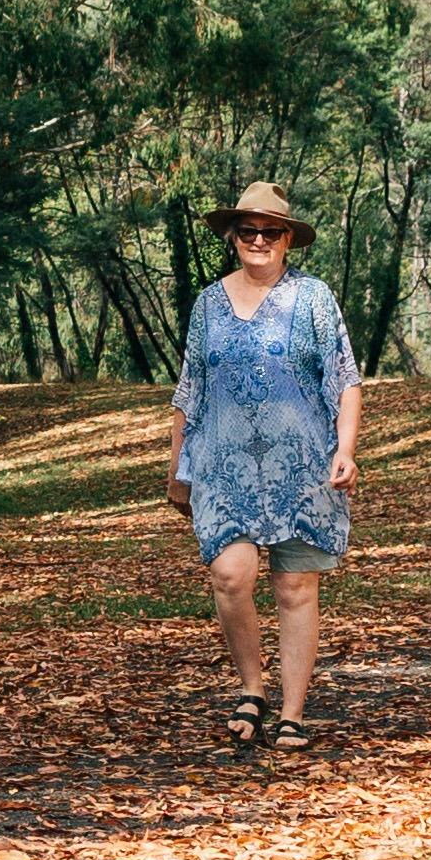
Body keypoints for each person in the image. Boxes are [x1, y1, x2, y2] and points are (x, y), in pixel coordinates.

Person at [173, 178, 361, 754]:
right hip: (222, 467)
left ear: (288, 239)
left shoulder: (314, 298)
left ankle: (293, 712)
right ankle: (252, 688)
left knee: (295, 584)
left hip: (303, 469)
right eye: (248, 231)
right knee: (231, 575)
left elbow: (346, 380)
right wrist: (177, 467)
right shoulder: (208, 303)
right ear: (233, 237)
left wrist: (346, 448)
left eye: (270, 232)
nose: (259, 240)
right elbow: (189, 389)